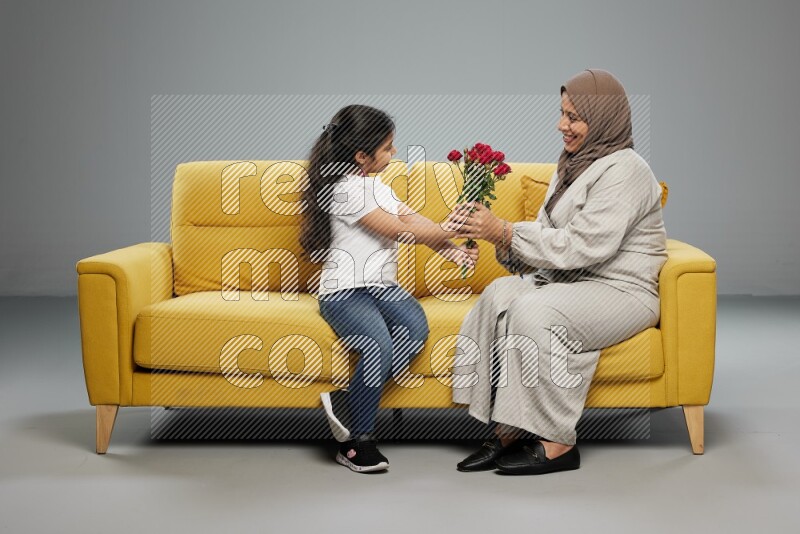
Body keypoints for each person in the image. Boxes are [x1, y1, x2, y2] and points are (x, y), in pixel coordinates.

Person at [445, 69, 668, 475]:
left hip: (621, 290)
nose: (562, 125)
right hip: (575, 282)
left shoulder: (627, 170)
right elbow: (549, 235)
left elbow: (585, 245)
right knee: (499, 293)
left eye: (574, 117)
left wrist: (507, 231)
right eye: (562, 113)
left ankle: (558, 442)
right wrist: (498, 237)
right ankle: (511, 424)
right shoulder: (573, 164)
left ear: (603, 119)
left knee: (536, 311)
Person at [300, 104, 478, 473]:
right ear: (362, 156)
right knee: (376, 344)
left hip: (381, 287)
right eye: (387, 147)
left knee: (415, 329)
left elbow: (413, 221)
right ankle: (356, 442)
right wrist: (455, 227)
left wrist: (452, 251)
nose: (394, 152)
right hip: (345, 290)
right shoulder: (344, 190)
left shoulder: (376, 186)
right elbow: (397, 231)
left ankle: (347, 400)